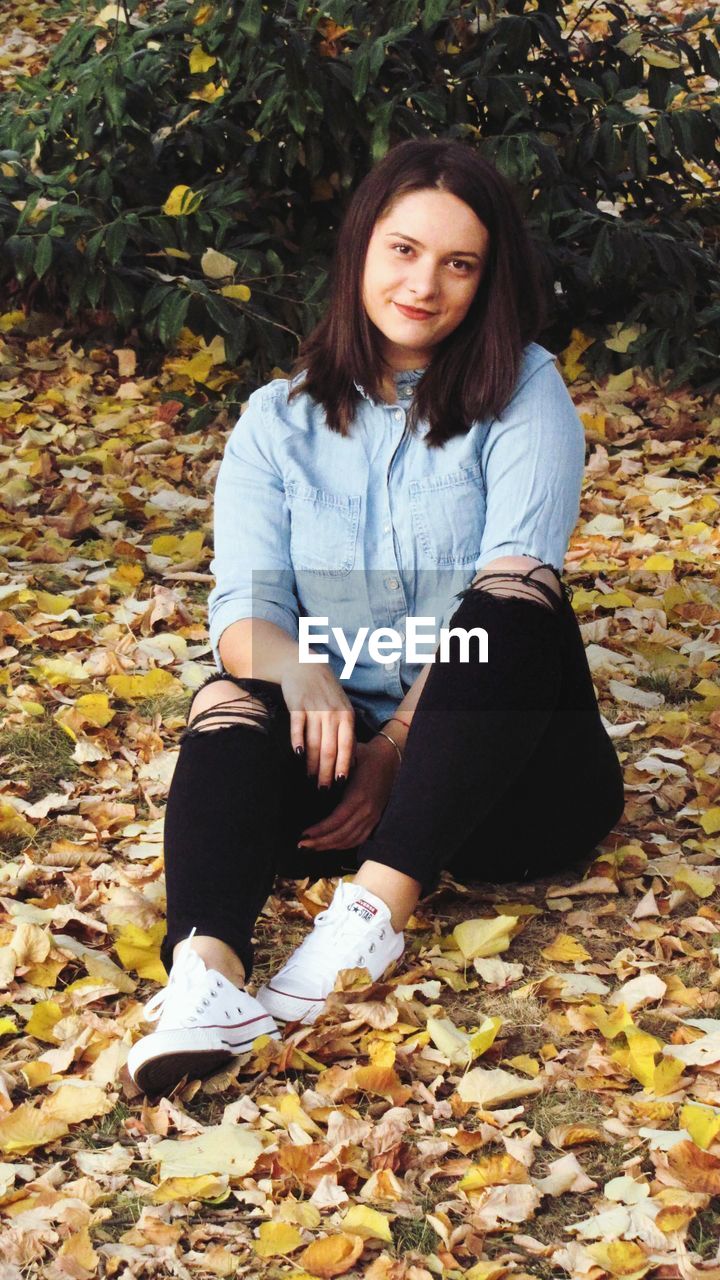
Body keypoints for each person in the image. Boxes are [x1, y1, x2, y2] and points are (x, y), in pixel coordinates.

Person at [127, 139, 625, 1096]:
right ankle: (209, 975)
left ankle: (367, 923)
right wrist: (305, 674)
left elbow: (517, 579)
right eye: (403, 250)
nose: (424, 285)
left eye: (459, 263)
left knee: (518, 600)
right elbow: (245, 613)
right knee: (237, 688)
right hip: (337, 789)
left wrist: (401, 739)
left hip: (516, 784)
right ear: (360, 248)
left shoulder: (523, 389)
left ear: (487, 281)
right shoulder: (276, 422)